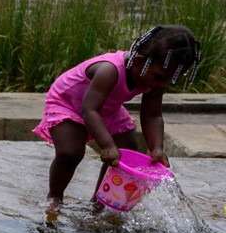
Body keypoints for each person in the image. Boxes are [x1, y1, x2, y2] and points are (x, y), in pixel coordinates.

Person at [34, 25, 199, 209]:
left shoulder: (154, 77)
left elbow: (152, 115)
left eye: (167, 79)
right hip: (69, 102)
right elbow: (89, 110)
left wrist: (157, 148)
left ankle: (100, 200)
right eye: (159, 77)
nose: (160, 84)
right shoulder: (109, 70)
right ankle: (55, 196)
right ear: (137, 62)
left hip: (105, 107)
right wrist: (106, 145)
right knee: (70, 153)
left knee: (127, 146)